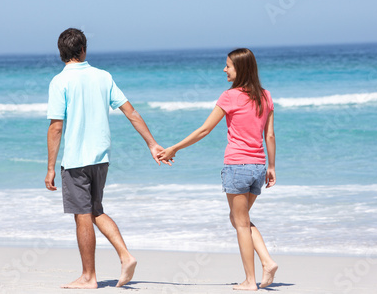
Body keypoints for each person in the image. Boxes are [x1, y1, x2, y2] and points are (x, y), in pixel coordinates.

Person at [45, 28, 169, 289]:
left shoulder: (59, 81)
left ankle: (89, 276)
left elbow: (56, 127)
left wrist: (50, 168)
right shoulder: (103, 76)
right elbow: (131, 112)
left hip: (76, 160)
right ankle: (125, 256)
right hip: (102, 158)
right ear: (84, 50)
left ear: (61, 54)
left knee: (82, 214)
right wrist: (152, 143)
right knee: (95, 210)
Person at [158, 48, 278, 290]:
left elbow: (204, 130)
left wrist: (175, 148)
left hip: (237, 166)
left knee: (240, 223)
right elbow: (270, 135)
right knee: (238, 219)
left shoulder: (230, 96)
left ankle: (250, 280)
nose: (224, 69)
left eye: (228, 66)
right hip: (257, 167)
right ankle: (266, 261)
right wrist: (272, 167)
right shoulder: (265, 96)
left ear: (240, 69)